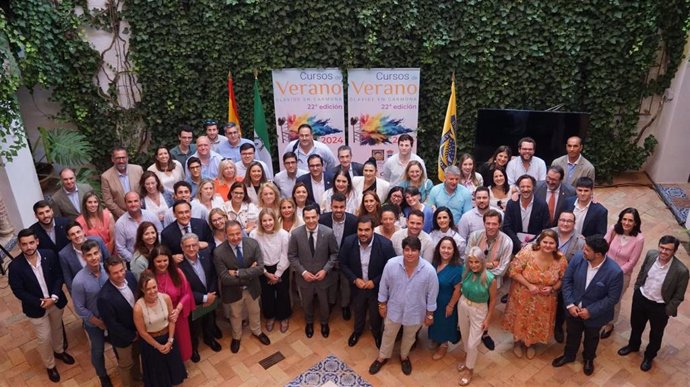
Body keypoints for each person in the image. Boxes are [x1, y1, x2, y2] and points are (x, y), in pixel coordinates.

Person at [8, 229, 74, 383]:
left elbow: (58, 276)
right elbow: (18, 290)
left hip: (55, 302)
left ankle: (59, 351)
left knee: (57, 329)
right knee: (44, 338)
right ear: (19, 245)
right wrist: (39, 302)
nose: (29, 247)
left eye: (31, 242)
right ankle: (50, 365)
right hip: (35, 308)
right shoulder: (15, 267)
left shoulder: (49, 255)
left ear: (37, 241)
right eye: (24, 244)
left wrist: (54, 297)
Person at [552, 235, 624, 376]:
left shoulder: (615, 272)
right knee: (572, 334)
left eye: (587, 249)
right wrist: (570, 304)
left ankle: (588, 359)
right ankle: (569, 355)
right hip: (573, 310)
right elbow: (567, 281)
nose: (583, 251)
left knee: (591, 338)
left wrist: (591, 311)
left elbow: (612, 298)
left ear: (598, 254)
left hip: (595, 316)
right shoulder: (578, 258)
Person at [617, 235, 689, 372]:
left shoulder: (681, 271)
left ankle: (649, 356)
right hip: (642, 298)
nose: (663, 252)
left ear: (674, 251)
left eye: (668, 250)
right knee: (636, 325)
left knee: (656, 334)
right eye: (662, 247)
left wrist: (668, 310)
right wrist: (637, 288)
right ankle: (633, 345)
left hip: (660, 307)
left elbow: (679, 296)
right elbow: (643, 272)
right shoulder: (651, 255)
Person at [369, 236, 439, 376]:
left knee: (409, 337)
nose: (410, 253)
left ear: (419, 251)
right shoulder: (391, 264)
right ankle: (382, 356)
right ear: (403, 250)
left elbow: (432, 296)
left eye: (414, 250)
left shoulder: (429, 271)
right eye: (407, 250)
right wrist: (382, 305)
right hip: (393, 310)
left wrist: (430, 314)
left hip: (415, 313)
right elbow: (383, 286)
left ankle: (404, 357)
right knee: (388, 334)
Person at [503, 230, 567, 359]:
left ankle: (530, 344)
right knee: (520, 318)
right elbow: (513, 271)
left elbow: (563, 279)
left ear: (556, 245)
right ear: (539, 242)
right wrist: (529, 285)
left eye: (551, 243)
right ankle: (517, 342)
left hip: (545, 299)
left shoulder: (561, 259)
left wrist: (552, 288)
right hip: (522, 294)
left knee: (536, 321)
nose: (548, 245)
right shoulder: (527, 252)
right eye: (545, 242)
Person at [213, 220, 271, 352]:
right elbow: (225, 278)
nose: (235, 237)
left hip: (252, 288)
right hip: (233, 291)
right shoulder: (218, 252)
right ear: (226, 235)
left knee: (255, 311)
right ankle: (236, 337)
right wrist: (249, 273)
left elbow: (260, 269)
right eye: (231, 235)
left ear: (242, 231)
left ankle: (257, 331)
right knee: (235, 315)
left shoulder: (252, 243)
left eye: (238, 233)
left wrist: (237, 273)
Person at [339, 216, 396, 348]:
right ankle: (357, 331)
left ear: (373, 230)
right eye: (360, 230)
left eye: (367, 230)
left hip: (377, 288)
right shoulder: (348, 242)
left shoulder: (385, 245)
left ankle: (376, 333)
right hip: (357, 286)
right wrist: (354, 279)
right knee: (358, 310)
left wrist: (375, 281)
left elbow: (391, 268)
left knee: (375, 314)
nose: (363, 233)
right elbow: (342, 264)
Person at [288, 204, 339, 338]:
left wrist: (325, 270)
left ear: (318, 217)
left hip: (323, 277)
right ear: (303, 218)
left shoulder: (328, 233)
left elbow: (334, 254)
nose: (310, 221)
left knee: (324, 303)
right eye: (307, 218)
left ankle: (324, 323)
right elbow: (292, 256)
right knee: (307, 302)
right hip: (305, 278)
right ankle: (309, 322)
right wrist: (303, 272)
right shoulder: (296, 234)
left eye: (313, 217)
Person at [465, 209, 513, 349]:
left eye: (494, 224)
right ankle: (467, 329)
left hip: (492, 283)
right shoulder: (475, 236)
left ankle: (484, 333)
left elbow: (502, 269)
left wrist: (479, 266)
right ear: (484, 223)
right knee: (468, 306)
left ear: (500, 224)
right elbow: (468, 259)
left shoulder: (507, 242)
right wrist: (490, 264)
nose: (491, 227)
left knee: (486, 308)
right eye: (488, 223)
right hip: (471, 279)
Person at [132, 272, 187, 386]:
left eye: (154, 287)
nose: (152, 291)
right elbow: (142, 332)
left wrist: (170, 340)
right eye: (148, 289)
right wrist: (158, 346)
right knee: (158, 376)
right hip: (151, 343)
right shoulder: (138, 308)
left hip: (168, 337)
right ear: (142, 290)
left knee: (172, 368)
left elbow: (172, 320)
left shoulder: (166, 298)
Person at [71, 240, 111, 387]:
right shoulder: (79, 281)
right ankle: (102, 375)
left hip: (112, 319)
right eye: (89, 255)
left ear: (100, 252)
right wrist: (99, 322)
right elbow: (79, 308)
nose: (94, 257)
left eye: (96, 253)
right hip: (94, 323)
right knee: (98, 349)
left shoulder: (108, 270)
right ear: (83, 257)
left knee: (119, 343)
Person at [456, 246, 498, 386]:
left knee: (473, 342)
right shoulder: (466, 272)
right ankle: (467, 357)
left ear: (483, 262)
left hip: (479, 309)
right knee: (464, 334)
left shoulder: (490, 279)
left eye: (477, 262)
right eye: (471, 262)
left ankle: (469, 369)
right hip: (463, 305)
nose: (473, 265)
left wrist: (488, 319)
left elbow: (492, 300)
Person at [600, 208, 645, 339]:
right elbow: (603, 245)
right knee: (601, 294)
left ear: (636, 223)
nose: (626, 222)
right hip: (604, 270)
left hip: (621, 276)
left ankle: (610, 323)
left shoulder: (639, 239)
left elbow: (632, 262)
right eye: (624, 219)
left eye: (630, 220)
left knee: (614, 299)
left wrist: (616, 273)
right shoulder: (614, 229)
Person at [97, 256, 142, 387]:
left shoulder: (130, 276)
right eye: (115, 273)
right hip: (123, 338)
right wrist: (132, 336)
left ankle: (137, 376)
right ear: (108, 273)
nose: (121, 274)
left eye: (122, 270)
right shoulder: (104, 297)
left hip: (139, 329)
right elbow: (112, 324)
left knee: (137, 356)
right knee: (125, 365)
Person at [177, 233, 222, 362]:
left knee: (209, 320)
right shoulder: (179, 267)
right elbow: (184, 290)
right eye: (188, 246)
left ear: (198, 245)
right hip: (194, 303)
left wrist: (212, 295)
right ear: (182, 247)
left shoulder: (206, 256)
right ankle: (194, 348)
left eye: (194, 245)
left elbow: (213, 275)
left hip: (210, 297)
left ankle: (209, 339)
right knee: (194, 328)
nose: (191, 249)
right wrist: (204, 298)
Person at [148, 245, 195, 362]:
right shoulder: (148, 275)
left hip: (176, 314)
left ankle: (181, 364)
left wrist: (178, 310)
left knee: (181, 341)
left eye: (165, 260)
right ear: (153, 261)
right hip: (158, 317)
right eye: (158, 261)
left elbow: (186, 293)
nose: (162, 264)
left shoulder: (177, 272)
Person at [249, 208, 292, 333]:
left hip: (281, 267)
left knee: (283, 293)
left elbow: (286, 255)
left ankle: (283, 317)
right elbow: (255, 256)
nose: (267, 223)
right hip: (263, 269)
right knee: (266, 294)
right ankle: (270, 316)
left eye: (270, 220)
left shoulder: (283, 234)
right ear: (260, 222)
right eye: (264, 221)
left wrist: (277, 274)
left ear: (275, 220)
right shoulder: (254, 234)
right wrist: (266, 273)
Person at [319, 192, 358, 321]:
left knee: (346, 285)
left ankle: (345, 305)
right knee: (330, 283)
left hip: (346, 261)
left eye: (341, 207)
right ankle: (331, 303)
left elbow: (354, 243)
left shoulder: (353, 221)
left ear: (345, 207)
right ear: (331, 206)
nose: (338, 210)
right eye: (336, 207)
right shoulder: (323, 220)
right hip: (328, 259)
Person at [550, 211, 586, 343]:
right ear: (558, 221)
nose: (565, 223)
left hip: (566, 281)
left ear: (574, 223)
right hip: (545, 279)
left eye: (569, 221)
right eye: (562, 220)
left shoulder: (581, 242)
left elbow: (582, 264)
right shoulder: (547, 233)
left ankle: (558, 326)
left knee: (561, 306)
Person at [427, 237, 463, 360]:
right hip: (433, 301)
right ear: (438, 249)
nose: (446, 251)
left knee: (445, 324)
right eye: (443, 247)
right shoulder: (435, 263)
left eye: (449, 248)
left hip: (446, 302)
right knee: (434, 321)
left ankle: (443, 344)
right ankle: (435, 338)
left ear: (454, 251)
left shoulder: (457, 269)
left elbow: (458, 289)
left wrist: (451, 305)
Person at [502, 174, 550, 254]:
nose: (525, 189)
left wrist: (531, 243)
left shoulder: (542, 204)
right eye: (522, 186)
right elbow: (507, 227)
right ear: (518, 188)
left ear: (533, 187)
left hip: (536, 248)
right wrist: (519, 244)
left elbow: (545, 228)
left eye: (528, 186)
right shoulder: (511, 204)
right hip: (514, 247)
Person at [58, 221, 110, 293]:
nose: (77, 236)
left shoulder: (98, 241)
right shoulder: (64, 254)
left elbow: (109, 261)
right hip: (86, 292)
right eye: (72, 234)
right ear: (68, 237)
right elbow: (68, 280)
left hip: (106, 283)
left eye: (78, 232)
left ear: (83, 231)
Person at [114, 192, 161, 262]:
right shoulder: (120, 224)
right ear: (125, 204)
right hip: (135, 262)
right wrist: (136, 260)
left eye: (136, 201)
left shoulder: (151, 216)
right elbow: (120, 247)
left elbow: (160, 234)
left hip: (156, 258)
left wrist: (157, 254)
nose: (133, 204)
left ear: (141, 202)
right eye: (130, 202)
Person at [101, 146, 144, 218]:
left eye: (123, 157)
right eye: (118, 158)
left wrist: (140, 207)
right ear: (113, 159)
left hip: (141, 211)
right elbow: (108, 201)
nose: (121, 161)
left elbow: (144, 190)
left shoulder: (138, 170)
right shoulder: (106, 177)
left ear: (127, 158)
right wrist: (124, 215)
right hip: (121, 216)